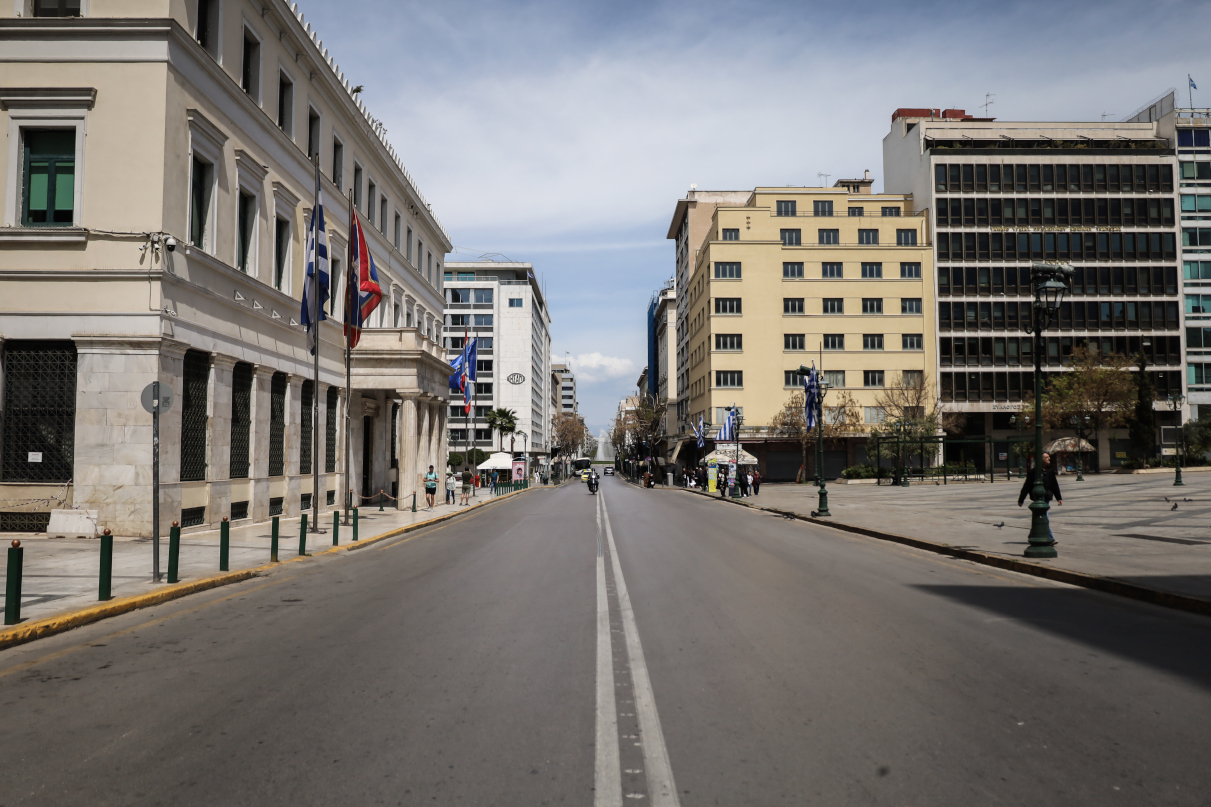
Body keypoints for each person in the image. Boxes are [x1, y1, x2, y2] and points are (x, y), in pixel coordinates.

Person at [1018, 452, 1063, 542]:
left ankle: (1032, 534)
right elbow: (1027, 486)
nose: (1049, 459)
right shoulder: (1034, 472)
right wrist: (1021, 499)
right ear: (1040, 460)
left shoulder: (1050, 471)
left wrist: (1059, 498)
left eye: (1049, 457)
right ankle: (1050, 538)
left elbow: (1055, 485)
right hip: (1038, 497)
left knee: (1040, 516)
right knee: (1044, 516)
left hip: (1047, 497)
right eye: (1046, 457)